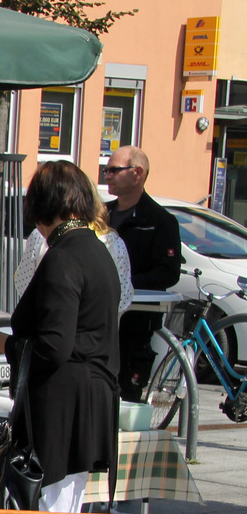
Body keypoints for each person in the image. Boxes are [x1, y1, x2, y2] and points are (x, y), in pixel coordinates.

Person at [0, 161, 119, 513]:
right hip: (89, 403)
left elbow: (54, 347)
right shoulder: (98, 251)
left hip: (62, 410)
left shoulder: (63, 258)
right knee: (67, 508)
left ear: (42, 206)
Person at [102, 146, 182, 401]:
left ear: (137, 173)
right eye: (106, 170)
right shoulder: (101, 215)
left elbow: (167, 274)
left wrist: (123, 284)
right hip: (99, 322)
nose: (107, 175)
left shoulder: (159, 220)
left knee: (126, 398)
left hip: (135, 326)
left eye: (114, 170)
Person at [14, 177, 134, 314]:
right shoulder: (114, 243)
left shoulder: (40, 236)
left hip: (46, 323)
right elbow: (122, 300)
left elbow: (23, 285)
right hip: (98, 329)